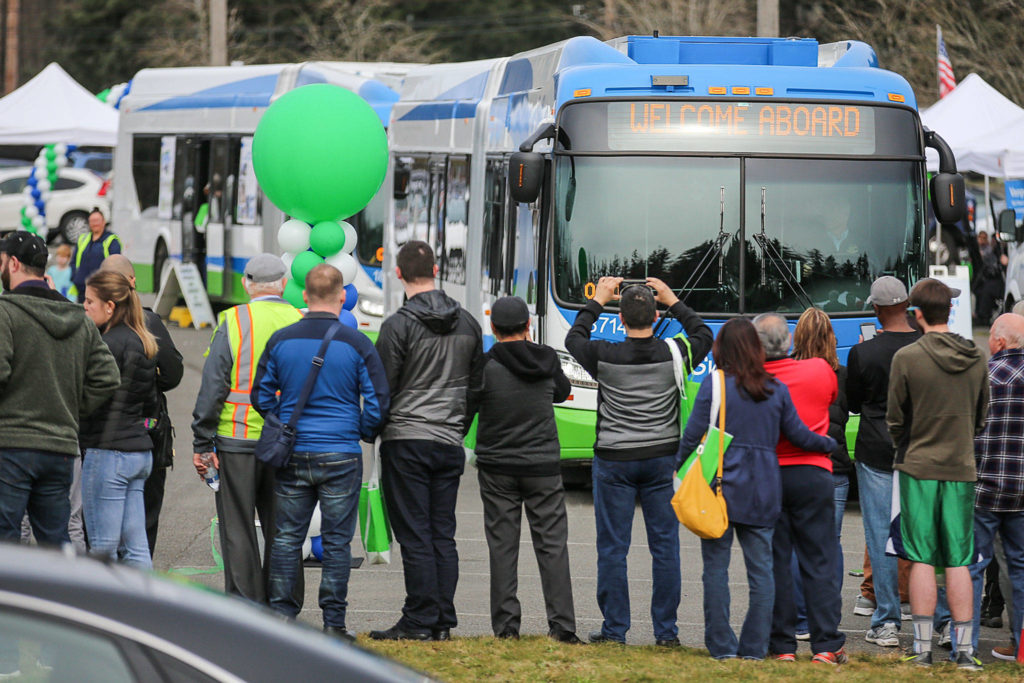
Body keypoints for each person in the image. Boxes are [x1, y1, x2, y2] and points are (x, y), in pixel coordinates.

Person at [566, 276, 713, 646]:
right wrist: (673, 299)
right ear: (655, 313)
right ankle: (666, 633)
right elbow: (704, 334)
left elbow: (573, 339)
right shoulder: (675, 352)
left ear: (621, 318)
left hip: (613, 460)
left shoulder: (604, 354)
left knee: (613, 548)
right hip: (662, 458)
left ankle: (615, 630)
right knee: (665, 547)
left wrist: (598, 298)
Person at [681, 318, 835, 660]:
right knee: (762, 573)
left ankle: (722, 646)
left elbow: (692, 436)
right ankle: (753, 648)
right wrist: (827, 443)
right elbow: (798, 435)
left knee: (716, 571)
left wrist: (677, 474)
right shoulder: (774, 388)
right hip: (764, 490)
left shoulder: (716, 383)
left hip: (721, 489)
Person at [252, 264, 389, 643]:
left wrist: (282, 423)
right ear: (342, 296)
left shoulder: (281, 340)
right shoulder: (357, 343)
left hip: (293, 453)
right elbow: (378, 403)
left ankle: (281, 617)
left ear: (304, 296)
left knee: (285, 537)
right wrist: (360, 430)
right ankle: (333, 623)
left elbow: (260, 396)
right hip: (341, 453)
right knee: (337, 541)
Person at [370, 240, 485, 642]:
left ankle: (419, 619)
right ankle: (441, 618)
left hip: (407, 440)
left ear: (398, 274)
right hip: (449, 441)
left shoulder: (397, 325)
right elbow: (476, 388)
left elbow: (382, 389)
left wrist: (371, 430)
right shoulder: (470, 323)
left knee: (415, 534)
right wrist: (458, 426)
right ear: (436, 270)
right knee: (442, 532)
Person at [887, 278, 989, 670]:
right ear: (949, 311)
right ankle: (964, 650)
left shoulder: (907, 359)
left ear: (916, 315)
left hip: (917, 465)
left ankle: (923, 649)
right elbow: (982, 416)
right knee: (960, 559)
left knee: (921, 558)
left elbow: (896, 419)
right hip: (961, 465)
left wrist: (911, 442)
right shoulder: (976, 357)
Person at [191, 254, 303, 604]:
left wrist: (202, 439)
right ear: (284, 284)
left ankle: (245, 606)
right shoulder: (300, 320)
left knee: (238, 527)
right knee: (284, 529)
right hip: (287, 442)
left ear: (246, 283)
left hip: (237, 440)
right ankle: (284, 606)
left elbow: (213, 385)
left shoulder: (233, 320)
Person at [469, 296, 580, 644]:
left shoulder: (485, 366)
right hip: (543, 466)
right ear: (528, 326)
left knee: (503, 546)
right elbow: (562, 392)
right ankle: (562, 626)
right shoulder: (546, 359)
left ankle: (506, 627)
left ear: (493, 328)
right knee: (552, 546)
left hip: (497, 467)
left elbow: (468, 406)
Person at [0, 231, 119, 546]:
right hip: (61, 447)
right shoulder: (77, 316)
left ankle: (14, 597)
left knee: (8, 541)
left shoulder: (5, 313)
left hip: (12, 446)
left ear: (13, 263)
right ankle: (64, 595)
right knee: (57, 539)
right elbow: (108, 376)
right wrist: (70, 408)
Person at [753, 313, 846, 664]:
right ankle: (826, 644)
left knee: (776, 561)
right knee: (819, 560)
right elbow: (831, 398)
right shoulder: (822, 370)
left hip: (770, 474)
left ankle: (782, 646)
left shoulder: (754, 379)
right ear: (787, 342)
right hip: (813, 473)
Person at [846, 276, 921, 648]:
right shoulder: (925, 345)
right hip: (920, 449)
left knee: (880, 536)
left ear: (875, 309)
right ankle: (931, 618)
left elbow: (853, 402)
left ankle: (887, 618)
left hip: (875, 446)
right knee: (920, 533)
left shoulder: (863, 353)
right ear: (906, 305)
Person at [99, 254, 184, 555]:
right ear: (132, 282)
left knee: (99, 524)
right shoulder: (150, 322)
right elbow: (173, 374)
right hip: (146, 431)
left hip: (98, 436)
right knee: (144, 522)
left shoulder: (92, 319)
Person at [79, 271, 159, 568]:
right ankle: (144, 613)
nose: (84, 306)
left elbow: (90, 399)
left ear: (110, 306)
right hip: (138, 450)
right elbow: (149, 401)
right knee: (137, 549)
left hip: (107, 451)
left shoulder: (106, 344)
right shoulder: (143, 340)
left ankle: (101, 613)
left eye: (89, 301)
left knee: (103, 552)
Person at [789, 307, 850, 639]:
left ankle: (800, 619)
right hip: (835, 465)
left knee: (796, 544)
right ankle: (828, 617)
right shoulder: (841, 373)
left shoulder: (787, 369)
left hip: (796, 464)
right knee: (831, 544)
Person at [968, 313, 1024, 660]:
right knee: (1020, 568)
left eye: (990, 336)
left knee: (973, 566)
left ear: (1000, 342)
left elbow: (970, 432)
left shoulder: (985, 377)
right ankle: (1021, 646)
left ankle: (966, 644)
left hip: (985, 488)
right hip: (1022, 491)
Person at [69, 207, 121, 303]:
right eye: (92, 221)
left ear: (104, 222)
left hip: (102, 290)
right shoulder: (83, 239)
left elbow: (115, 266)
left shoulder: (111, 240)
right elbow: (73, 261)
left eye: (97, 220)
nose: (94, 223)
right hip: (82, 290)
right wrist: (75, 278)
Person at [973, 231, 1005, 327]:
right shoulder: (978, 250)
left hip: (994, 281)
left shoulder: (995, 251)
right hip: (984, 279)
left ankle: (983, 316)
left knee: (986, 290)